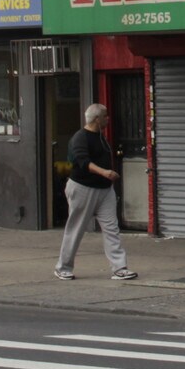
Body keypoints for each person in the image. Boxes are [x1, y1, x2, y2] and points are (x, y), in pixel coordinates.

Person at [55, 103, 136, 282]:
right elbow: (83, 162)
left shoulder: (101, 137)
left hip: (104, 190)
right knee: (76, 228)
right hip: (83, 187)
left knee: (111, 228)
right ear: (97, 119)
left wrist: (106, 177)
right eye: (105, 116)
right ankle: (63, 267)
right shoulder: (80, 138)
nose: (108, 119)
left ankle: (120, 268)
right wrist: (105, 172)